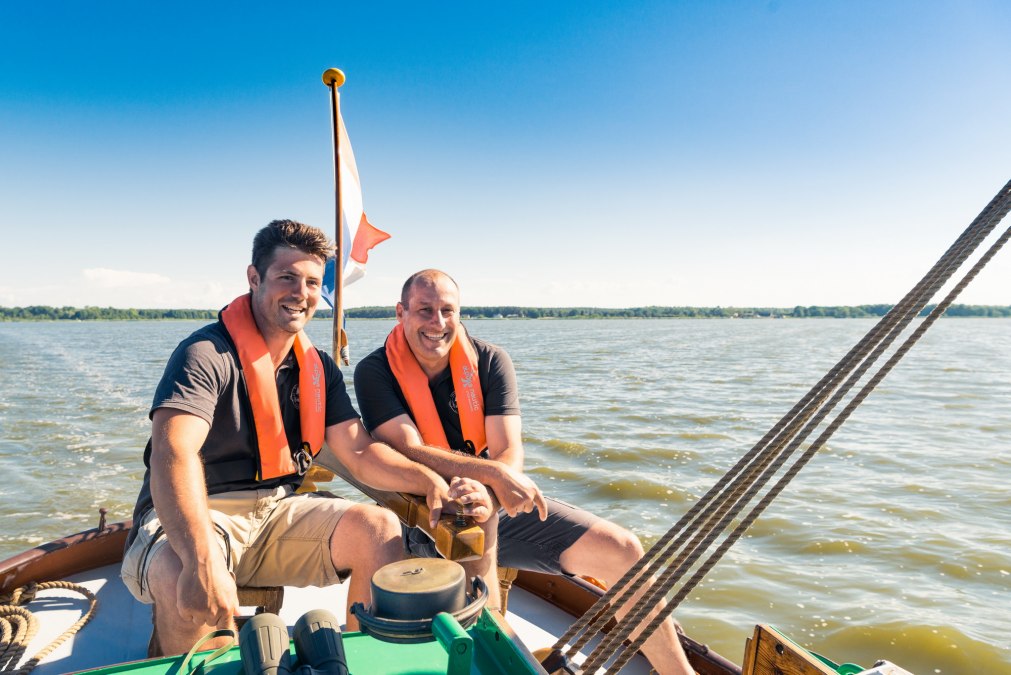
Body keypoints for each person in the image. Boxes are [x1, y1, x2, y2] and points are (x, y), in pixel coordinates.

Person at [120, 222, 495, 657]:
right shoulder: (206, 355)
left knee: (379, 527)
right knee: (179, 567)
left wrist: (430, 481)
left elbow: (359, 450)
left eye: (313, 282)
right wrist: (202, 559)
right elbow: (174, 451)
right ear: (254, 278)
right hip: (198, 511)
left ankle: (358, 661)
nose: (301, 293)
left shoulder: (318, 368)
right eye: (287, 278)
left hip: (275, 509)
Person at [352, 269, 695, 675]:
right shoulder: (374, 371)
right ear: (400, 312)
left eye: (447, 310)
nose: (437, 323)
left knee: (623, 549)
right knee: (477, 550)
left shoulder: (491, 360)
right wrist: (491, 477)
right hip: (422, 520)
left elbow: (508, 449)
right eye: (424, 310)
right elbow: (408, 447)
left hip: (490, 504)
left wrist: (491, 492)